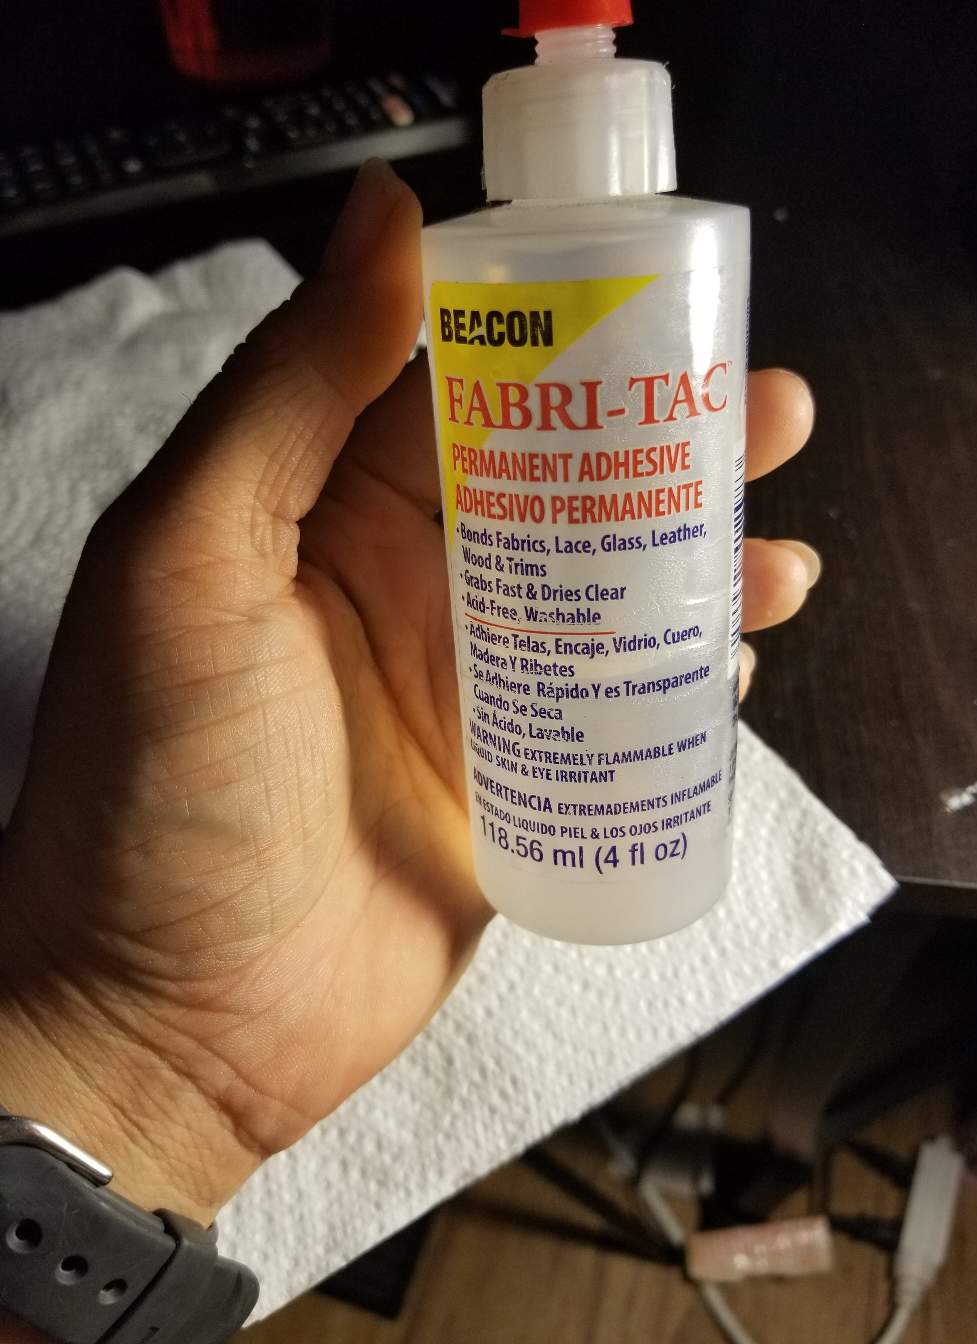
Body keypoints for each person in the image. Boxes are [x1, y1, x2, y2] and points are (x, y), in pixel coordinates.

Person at [0, 160, 817, 1338]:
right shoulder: (491, 265)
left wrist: (141, 1069)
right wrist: (135, 1049)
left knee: (689, 587)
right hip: (484, 783)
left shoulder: (692, 237)